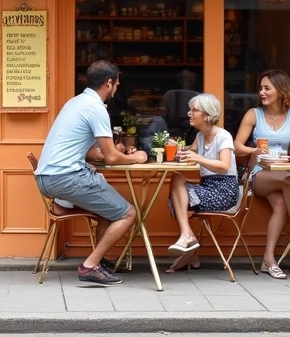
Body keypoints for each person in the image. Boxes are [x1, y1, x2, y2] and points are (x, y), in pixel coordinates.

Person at [34, 60, 147, 286]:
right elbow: (112, 158)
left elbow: (92, 154)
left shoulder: (75, 102)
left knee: (108, 210)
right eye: (116, 84)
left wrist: (111, 152)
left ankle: (101, 261)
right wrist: (135, 157)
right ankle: (90, 266)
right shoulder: (96, 108)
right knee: (128, 214)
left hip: (48, 178)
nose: (116, 88)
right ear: (108, 83)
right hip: (67, 178)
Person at [233, 69, 290, 280]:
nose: (262, 93)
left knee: (282, 202)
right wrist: (255, 151)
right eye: (261, 88)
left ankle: (268, 259)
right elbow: (237, 146)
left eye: (267, 88)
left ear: (281, 90)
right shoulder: (253, 114)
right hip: (258, 173)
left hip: (283, 171)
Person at [164, 92, 239, 273]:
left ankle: (187, 239)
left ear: (207, 115)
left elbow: (224, 165)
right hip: (208, 187)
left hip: (224, 191)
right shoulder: (199, 137)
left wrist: (197, 157)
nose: (190, 113)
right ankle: (190, 243)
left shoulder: (223, 136)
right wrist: (177, 149)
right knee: (177, 181)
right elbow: (189, 153)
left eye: (194, 110)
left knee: (178, 196)